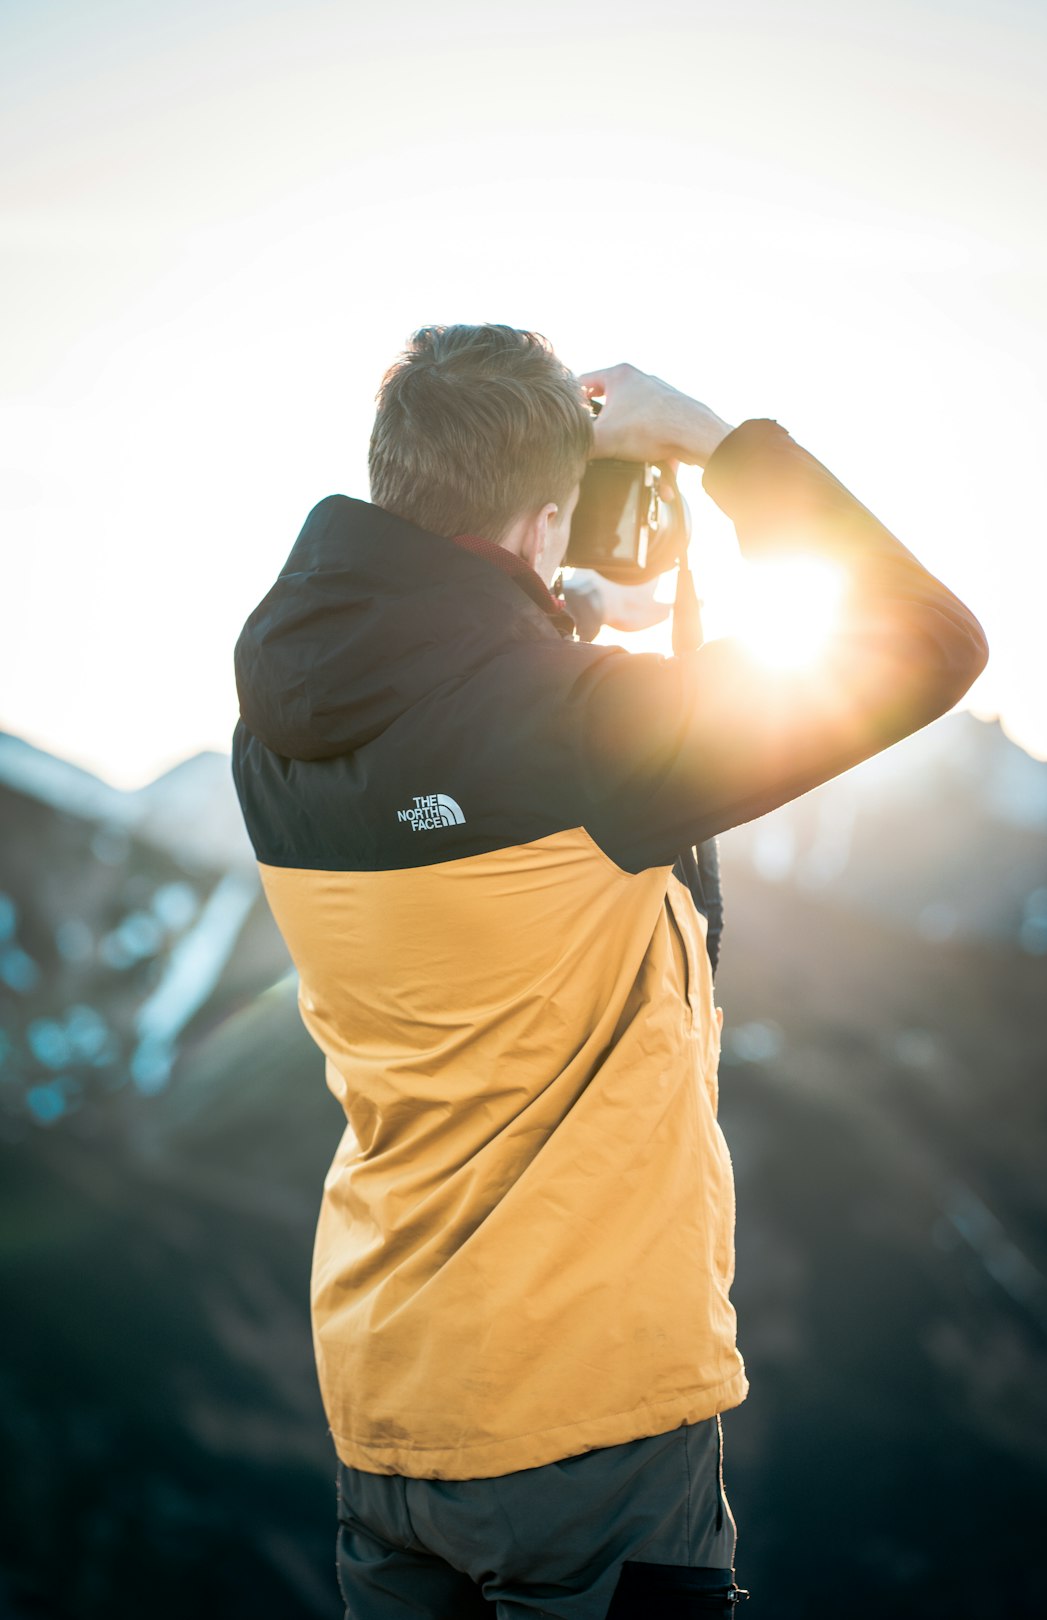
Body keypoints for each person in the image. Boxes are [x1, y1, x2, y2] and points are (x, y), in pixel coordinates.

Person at [231, 325, 988, 1618]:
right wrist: (713, 442)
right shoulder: (577, 732)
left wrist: (551, 619)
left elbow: (445, 744)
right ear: (543, 520)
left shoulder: (275, 730)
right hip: (586, 1425)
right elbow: (928, 641)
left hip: (389, 1411)